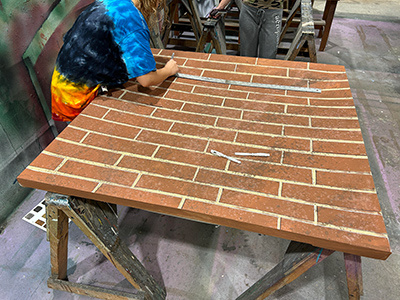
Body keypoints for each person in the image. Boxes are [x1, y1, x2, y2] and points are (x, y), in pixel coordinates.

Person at [51, 0, 179, 122]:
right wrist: (168, 70)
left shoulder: (111, 2)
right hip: (74, 100)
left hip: (61, 87)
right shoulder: (133, 21)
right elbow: (146, 80)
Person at [211, 0, 283, 59]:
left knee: (268, 58)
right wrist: (220, 7)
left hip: (273, 12)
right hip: (249, 11)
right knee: (246, 57)